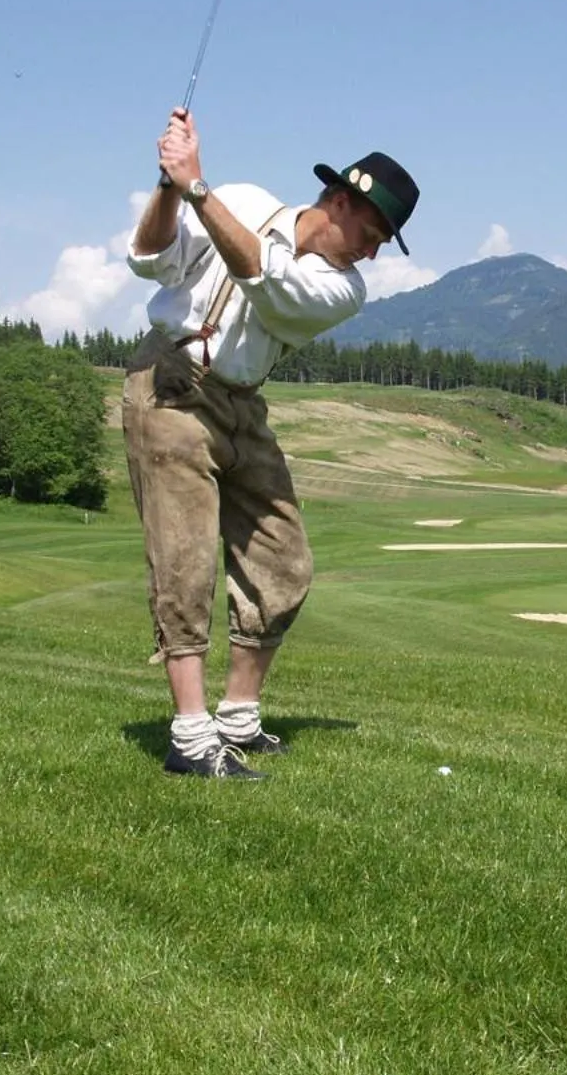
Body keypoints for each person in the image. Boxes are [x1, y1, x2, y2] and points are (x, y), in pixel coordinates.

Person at [124, 107, 418, 778]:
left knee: (285, 561)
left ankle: (240, 718)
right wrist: (170, 186)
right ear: (340, 202)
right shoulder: (249, 201)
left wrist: (199, 188)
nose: (372, 252)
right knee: (185, 560)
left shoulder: (344, 289)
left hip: (242, 405)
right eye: (372, 234)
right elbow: (151, 260)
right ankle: (192, 738)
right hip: (171, 380)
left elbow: (267, 282)